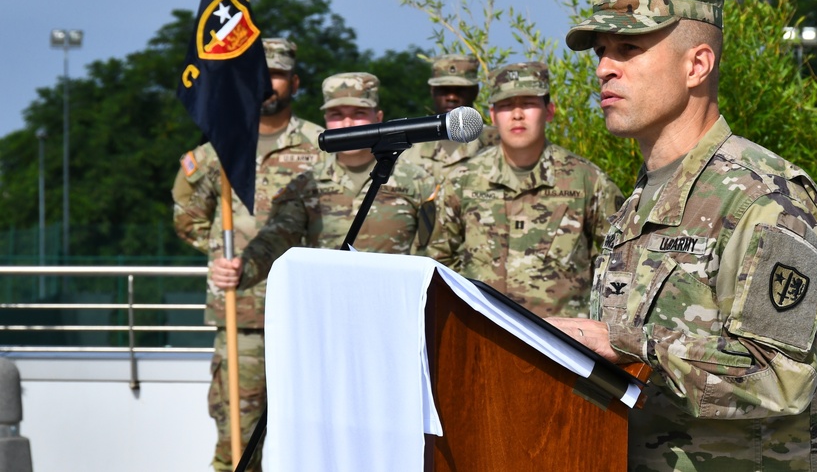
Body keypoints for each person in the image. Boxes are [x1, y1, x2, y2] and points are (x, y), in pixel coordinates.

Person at [546, 0, 817, 470]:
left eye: (628, 50)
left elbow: (780, 379)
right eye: (601, 53)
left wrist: (625, 343)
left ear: (697, 65)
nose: (603, 69)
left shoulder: (764, 199)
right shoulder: (638, 204)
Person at [172, 37, 324, 472]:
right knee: (237, 440)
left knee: (310, 434)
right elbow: (187, 214)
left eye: (275, 73)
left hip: (307, 315)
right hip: (243, 318)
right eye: (257, 72)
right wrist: (219, 255)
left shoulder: (321, 145)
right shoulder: (220, 146)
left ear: (293, 82)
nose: (265, 83)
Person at [425, 61, 623, 318]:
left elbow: (615, 265)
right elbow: (439, 262)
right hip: (483, 334)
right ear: (493, 115)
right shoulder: (463, 181)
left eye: (528, 103)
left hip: (563, 343)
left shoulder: (587, 181)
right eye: (506, 106)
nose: (517, 114)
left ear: (549, 111)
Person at [209, 72, 435, 291]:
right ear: (325, 121)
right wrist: (242, 269)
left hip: (396, 305)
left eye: (359, 113)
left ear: (378, 118)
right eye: (336, 114)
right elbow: (276, 239)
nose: (348, 123)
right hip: (328, 307)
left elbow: (435, 250)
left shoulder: (417, 181)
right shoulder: (306, 184)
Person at [405, 53, 499, 182]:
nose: (452, 97)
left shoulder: (496, 143)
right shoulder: (408, 146)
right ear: (432, 91)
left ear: (475, 91)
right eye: (444, 90)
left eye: (460, 90)